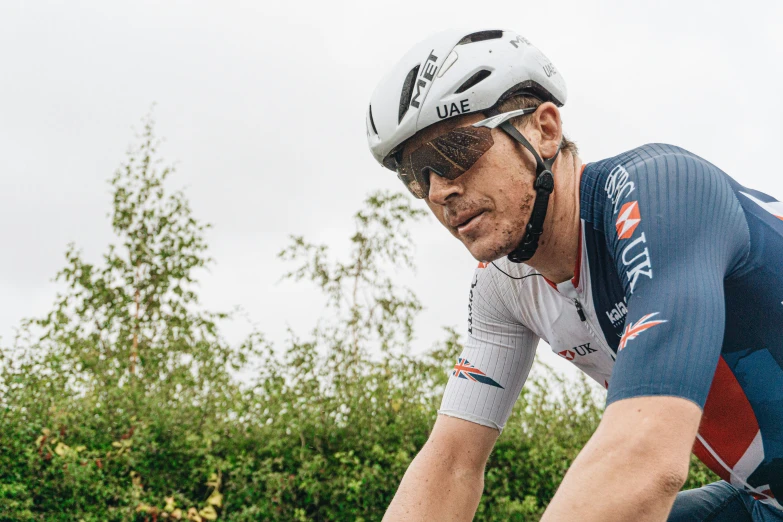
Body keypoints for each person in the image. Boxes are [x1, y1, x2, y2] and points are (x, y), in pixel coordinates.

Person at [365, 28, 783, 521]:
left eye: (455, 151)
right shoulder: (503, 287)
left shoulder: (663, 192)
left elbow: (644, 458)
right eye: (416, 174)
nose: (439, 191)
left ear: (544, 129)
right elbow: (451, 464)